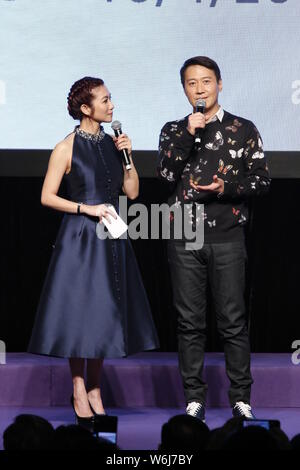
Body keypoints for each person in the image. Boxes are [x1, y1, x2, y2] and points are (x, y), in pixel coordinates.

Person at [28, 76, 159, 430]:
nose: (111, 105)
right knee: (78, 315)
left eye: (110, 98)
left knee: (105, 312)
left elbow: (131, 193)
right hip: (80, 238)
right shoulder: (65, 147)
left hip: (111, 235)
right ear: (85, 108)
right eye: (104, 100)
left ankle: (97, 388)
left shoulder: (114, 144)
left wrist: (129, 157)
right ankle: (78, 388)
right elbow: (47, 196)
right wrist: (86, 209)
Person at [158, 56, 270, 422]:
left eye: (206, 81)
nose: (200, 89)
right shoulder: (174, 129)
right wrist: (189, 133)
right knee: (189, 322)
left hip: (227, 236)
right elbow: (166, 172)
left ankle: (241, 397)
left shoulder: (243, 128)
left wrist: (226, 187)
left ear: (220, 84)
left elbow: (261, 181)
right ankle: (194, 398)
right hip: (184, 236)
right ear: (185, 89)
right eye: (192, 83)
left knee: (232, 321)